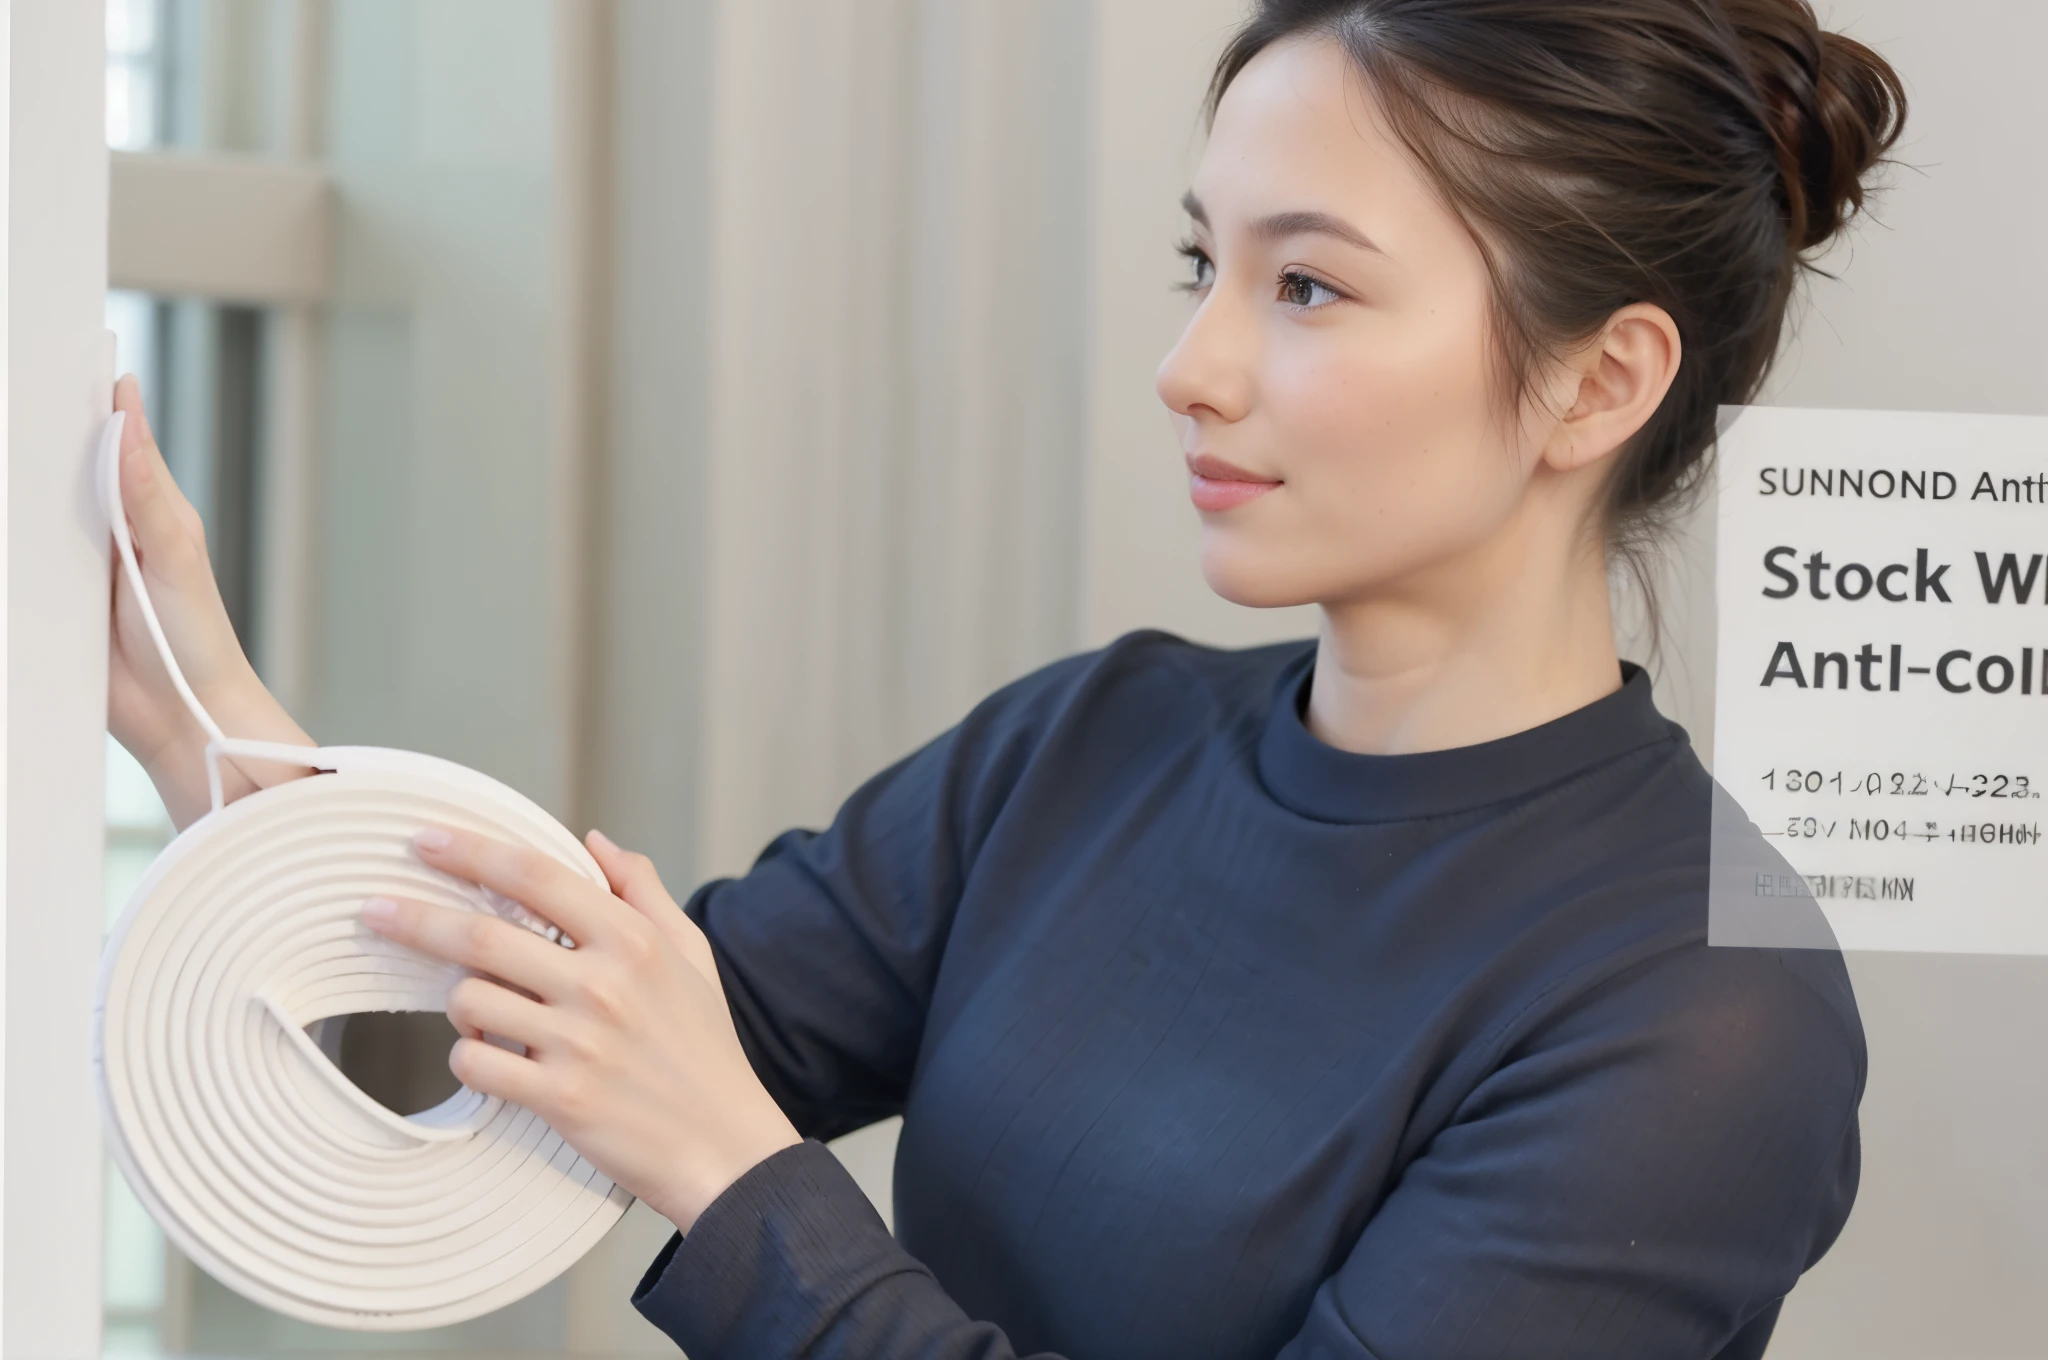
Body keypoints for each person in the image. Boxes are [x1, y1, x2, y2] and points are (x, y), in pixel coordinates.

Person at [108, 1, 1907, 1355]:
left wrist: (741, 1180)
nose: (1188, 365)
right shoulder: (1091, 741)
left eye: (1309, 291)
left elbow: (693, 1114)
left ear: (1600, 386)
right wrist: (212, 738)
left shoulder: (1704, 1010)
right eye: (1205, 263)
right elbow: (547, 1058)